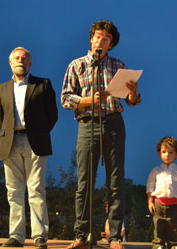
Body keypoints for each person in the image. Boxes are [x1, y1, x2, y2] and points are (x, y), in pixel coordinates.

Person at [61, 20, 141, 249]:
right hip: (87, 124)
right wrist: (89, 100)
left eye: (106, 39)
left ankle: (115, 236)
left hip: (114, 123)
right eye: (98, 36)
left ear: (111, 44)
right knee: (84, 182)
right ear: (91, 39)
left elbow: (132, 101)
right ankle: (82, 235)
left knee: (116, 183)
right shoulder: (77, 65)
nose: (101, 41)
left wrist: (133, 94)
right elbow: (65, 99)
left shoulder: (118, 65)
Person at [0, 46, 58, 248]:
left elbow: (52, 115)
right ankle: (16, 236)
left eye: (24, 58)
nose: (20, 60)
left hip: (35, 142)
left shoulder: (43, 84)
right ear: (10, 63)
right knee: (13, 192)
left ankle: (40, 237)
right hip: (10, 142)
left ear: (30, 63)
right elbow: (0, 118)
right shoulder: (2, 88)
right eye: (16, 58)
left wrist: (38, 131)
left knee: (36, 190)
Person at [146, 136, 177, 249]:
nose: (167, 155)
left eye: (170, 152)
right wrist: (150, 202)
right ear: (159, 153)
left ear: (176, 154)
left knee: (173, 227)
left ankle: (174, 245)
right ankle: (158, 244)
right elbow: (150, 188)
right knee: (158, 225)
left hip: (174, 205)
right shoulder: (155, 171)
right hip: (158, 204)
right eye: (164, 152)